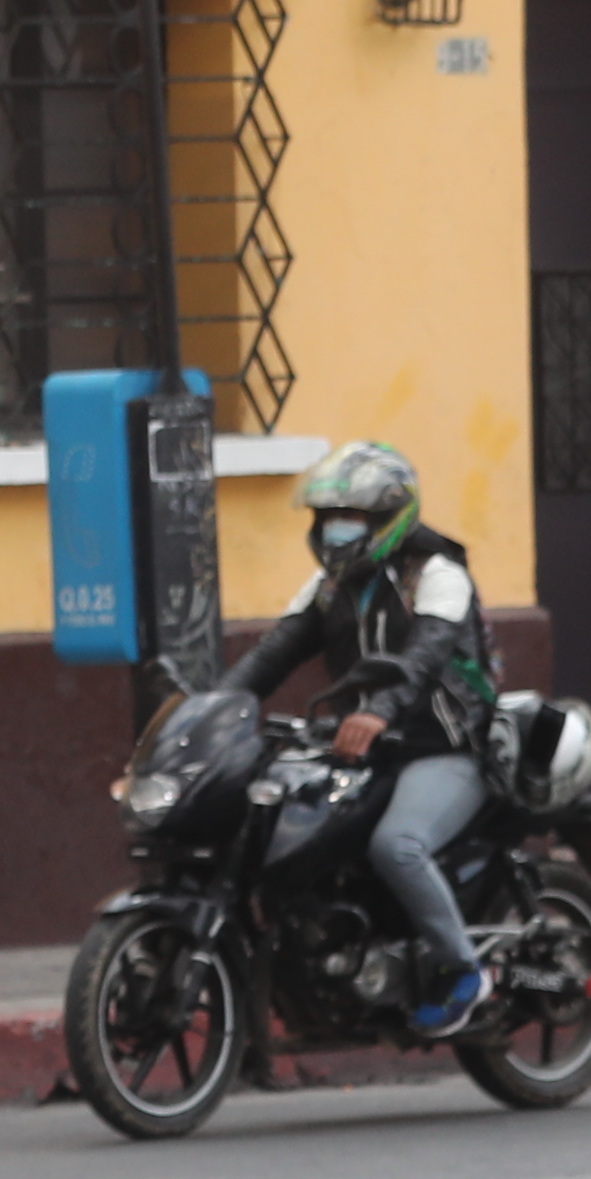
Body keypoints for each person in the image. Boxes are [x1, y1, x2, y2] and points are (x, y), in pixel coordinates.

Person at [229, 440, 505, 1039]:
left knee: (397, 845)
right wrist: (214, 705)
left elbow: (423, 657)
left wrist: (379, 710)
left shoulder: (438, 575)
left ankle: (464, 971)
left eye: (348, 518)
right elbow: (271, 655)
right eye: (326, 520)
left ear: (388, 519)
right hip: (362, 749)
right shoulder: (331, 586)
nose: (335, 532)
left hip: (445, 748)